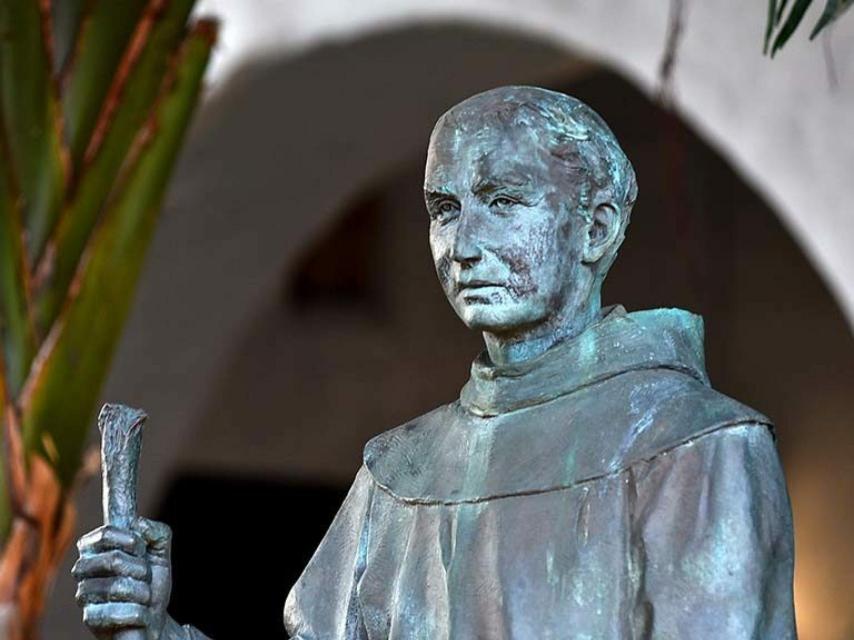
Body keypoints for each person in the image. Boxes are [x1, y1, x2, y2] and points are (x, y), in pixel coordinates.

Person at [73, 86, 797, 639]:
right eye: (444, 209)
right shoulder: (400, 471)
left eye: (504, 200)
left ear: (596, 227)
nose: (464, 244)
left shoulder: (696, 448)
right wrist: (153, 629)